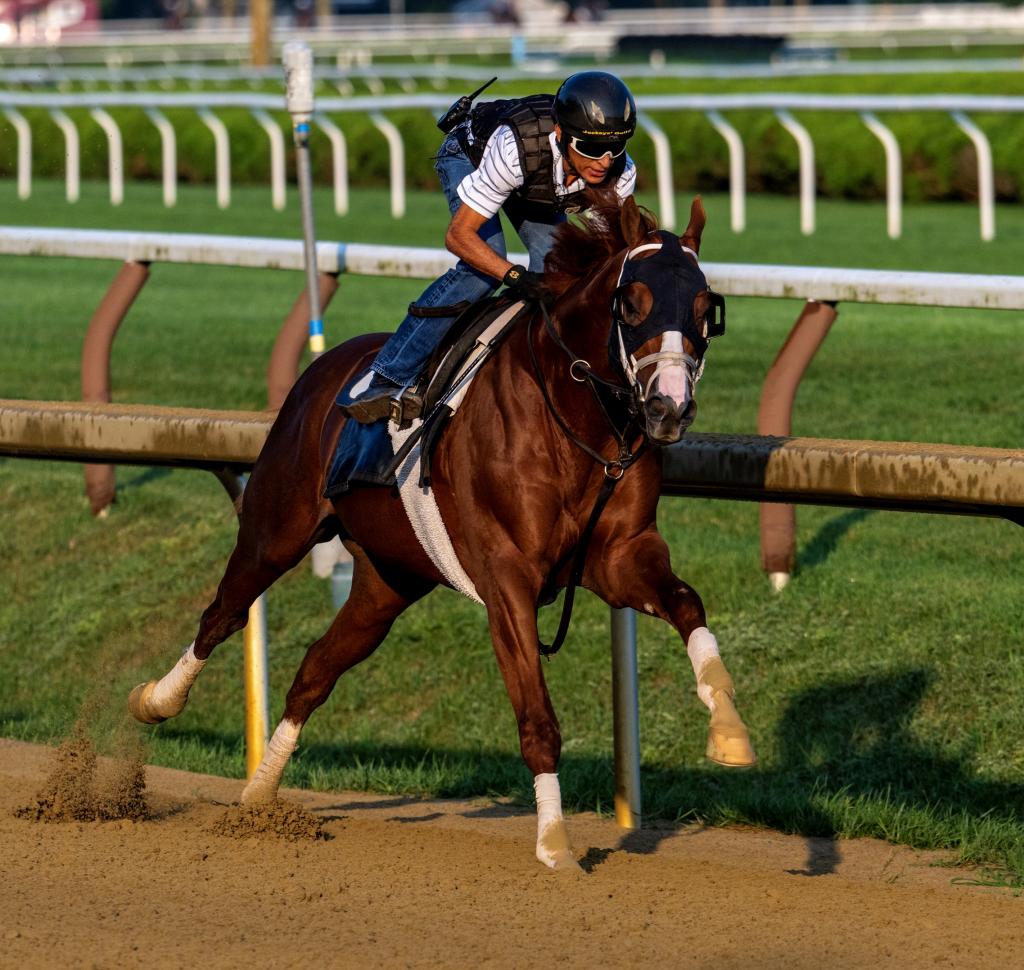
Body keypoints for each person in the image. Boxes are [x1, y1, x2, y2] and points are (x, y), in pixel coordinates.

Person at [340, 70, 639, 423]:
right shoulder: (514, 149)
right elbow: (458, 237)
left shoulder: (621, 174)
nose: (604, 160)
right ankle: (387, 376)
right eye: (590, 148)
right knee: (482, 269)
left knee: (560, 272)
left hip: (536, 181)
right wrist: (514, 276)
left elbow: (611, 262)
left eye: (615, 147)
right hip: (471, 155)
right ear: (560, 134)